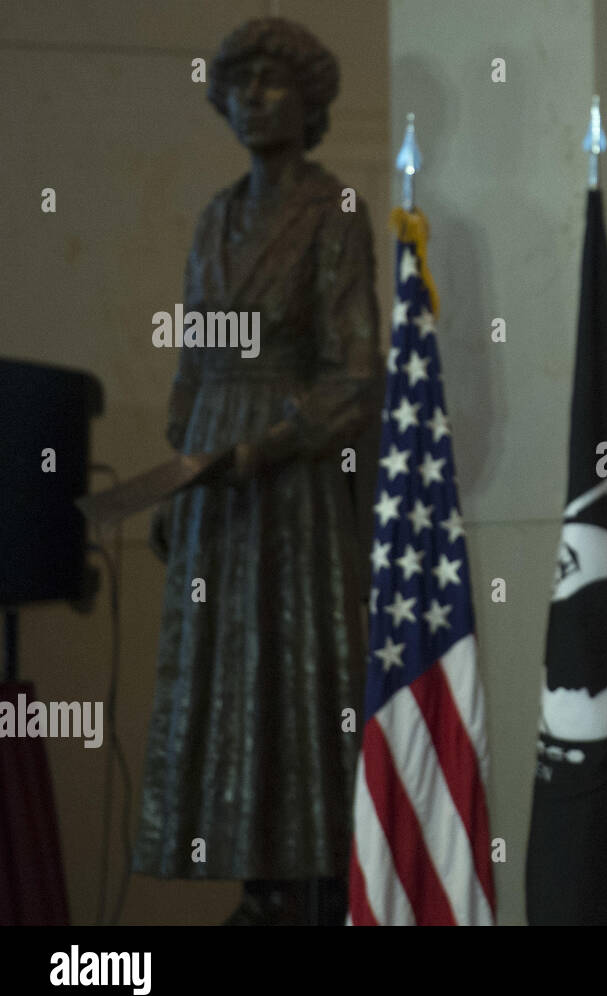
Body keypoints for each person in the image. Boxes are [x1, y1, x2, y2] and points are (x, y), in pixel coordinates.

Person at [133, 18, 380, 925]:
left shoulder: (334, 213)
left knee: (295, 670)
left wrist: (265, 444)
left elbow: (356, 377)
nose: (255, 98)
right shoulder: (215, 216)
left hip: (292, 480)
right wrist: (176, 469)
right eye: (240, 83)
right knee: (221, 673)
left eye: (274, 81)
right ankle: (254, 880)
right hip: (213, 474)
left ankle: (305, 884)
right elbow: (195, 360)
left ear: (310, 102)